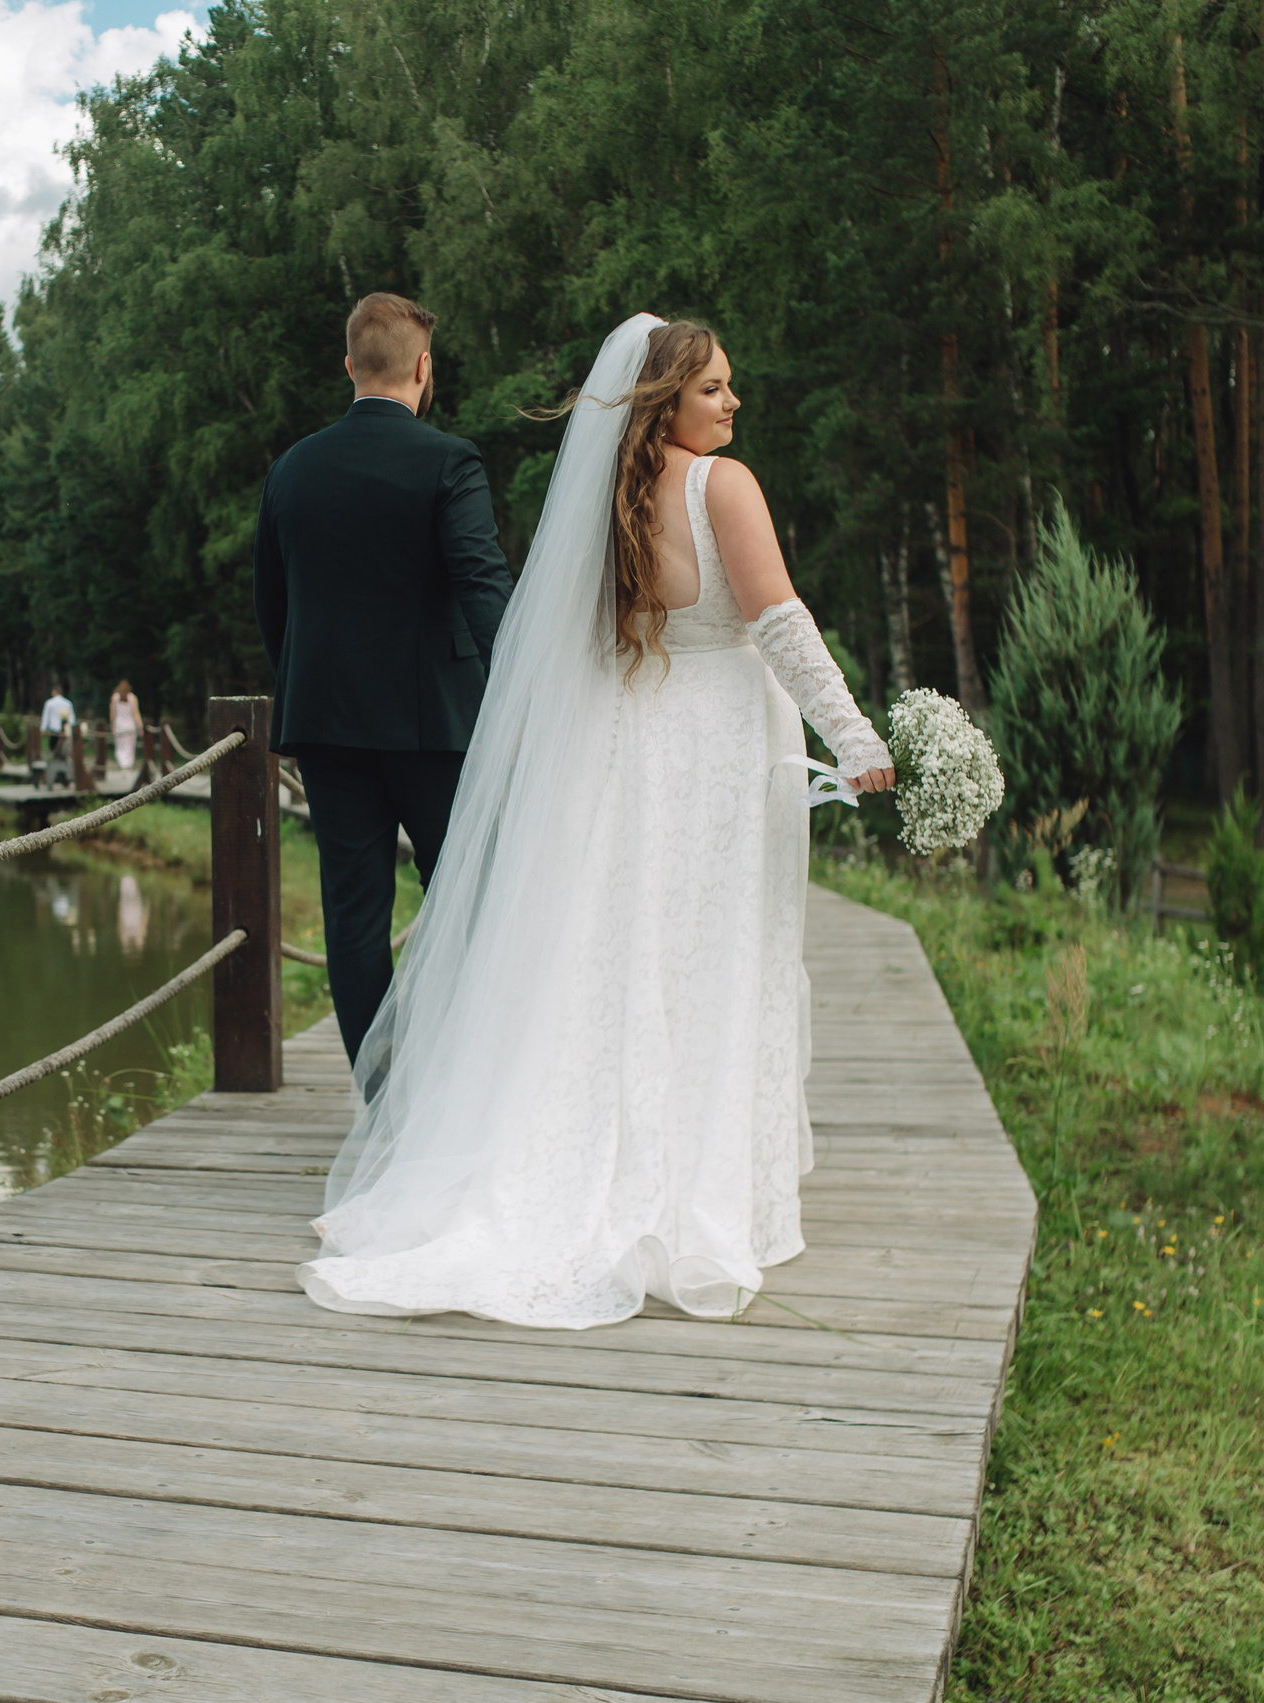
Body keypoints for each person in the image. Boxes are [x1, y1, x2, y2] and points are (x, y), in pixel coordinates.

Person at [297, 316, 895, 1330]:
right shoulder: (723, 485)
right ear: (667, 395)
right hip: (712, 750)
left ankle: (579, 1162)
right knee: (709, 956)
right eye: (714, 388)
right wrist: (857, 738)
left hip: (629, 748)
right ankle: (692, 1185)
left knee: (618, 957)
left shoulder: (607, 502)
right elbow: (780, 622)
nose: (731, 404)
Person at [255, 291, 515, 1062]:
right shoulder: (448, 459)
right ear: (424, 367)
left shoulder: (292, 469)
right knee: (470, 900)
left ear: (349, 366)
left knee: (355, 918)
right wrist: (518, 694)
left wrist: (303, 699)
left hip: (331, 730)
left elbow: (273, 605)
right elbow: (481, 584)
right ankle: (461, 1075)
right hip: (438, 726)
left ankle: (380, 1098)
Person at [109, 679, 143, 773]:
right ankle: (128, 764)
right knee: (130, 745)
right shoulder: (133, 698)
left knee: (120, 746)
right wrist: (140, 725)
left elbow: (113, 713)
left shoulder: (115, 697)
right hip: (130, 724)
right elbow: (136, 713)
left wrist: (112, 724)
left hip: (119, 724)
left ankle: (123, 763)